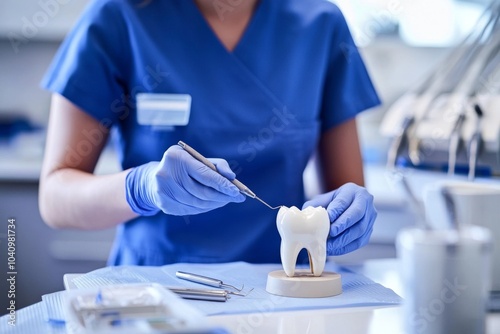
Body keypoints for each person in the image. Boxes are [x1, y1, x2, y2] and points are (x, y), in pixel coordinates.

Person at [39, 0, 380, 266]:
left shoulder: (321, 26)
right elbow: (55, 198)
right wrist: (139, 188)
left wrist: (347, 214)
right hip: (154, 292)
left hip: (281, 290)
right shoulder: (118, 18)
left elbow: (343, 190)